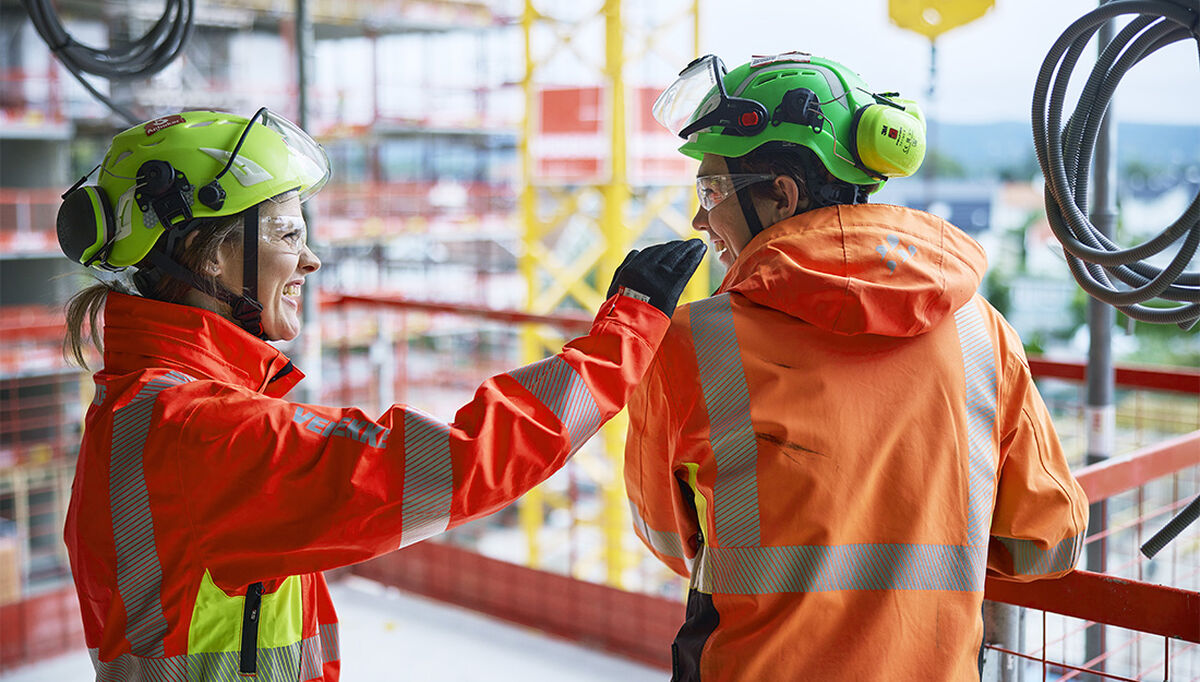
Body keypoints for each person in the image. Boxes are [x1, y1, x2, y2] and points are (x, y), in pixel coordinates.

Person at [56, 108, 705, 681]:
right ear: (209, 256)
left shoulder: (145, 403)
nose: (309, 261)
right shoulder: (199, 432)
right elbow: (463, 458)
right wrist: (628, 328)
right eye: (287, 234)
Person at [623, 52, 1089, 681]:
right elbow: (1044, 546)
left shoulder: (691, 344)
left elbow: (663, 536)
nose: (701, 219)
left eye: (711, 191)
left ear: (779, 194)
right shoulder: (984, 334)